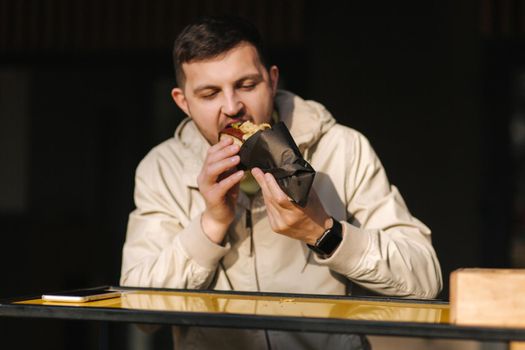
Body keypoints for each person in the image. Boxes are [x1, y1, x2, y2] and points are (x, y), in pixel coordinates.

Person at [120, 15, 442, 349]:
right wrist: (210, 225)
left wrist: (324, 233)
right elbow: (139, 314)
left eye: (247, 85)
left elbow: (424, 279)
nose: (232, 108)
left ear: (272, 81)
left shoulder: (342, 148)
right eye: (209, 93)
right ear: (182, 101)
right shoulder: (161, 169)